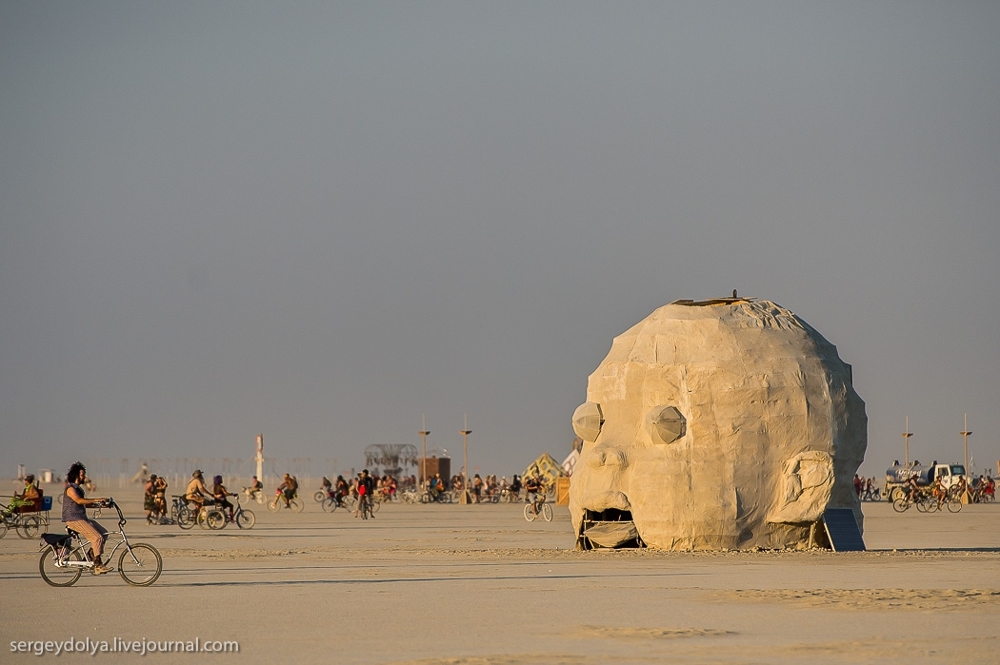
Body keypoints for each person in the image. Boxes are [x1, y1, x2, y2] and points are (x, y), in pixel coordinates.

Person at [62, 462, 111, 574]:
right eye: (82, 475)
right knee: (97, 537)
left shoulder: (79, 489)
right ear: (75, 476)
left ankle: (89, 557)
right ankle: (97, 565)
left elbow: (84, 504)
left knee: (104, 533)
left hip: (81, 518)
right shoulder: (70, 489)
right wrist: (97, 499)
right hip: (74, 519)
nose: (84, 477)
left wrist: (103, 505)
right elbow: (79, 501)